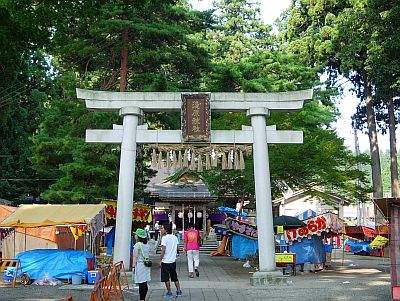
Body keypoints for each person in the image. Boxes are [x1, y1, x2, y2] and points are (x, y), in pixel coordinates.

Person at [159, 224, 183, 298]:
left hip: (165, 261)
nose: (161, 230)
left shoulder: (164, 238)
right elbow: (178, 248)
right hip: (173, 261)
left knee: (166, 278)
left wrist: (160, 260)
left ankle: (169, 292)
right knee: (174, 276)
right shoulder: (174, 237)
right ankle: (179, 291)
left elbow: (163, 250)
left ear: (166, 230)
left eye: (162, 228)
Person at [132, 228, 151, 301]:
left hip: (140, 265)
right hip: (146, 265)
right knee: (145, 282)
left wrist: (133, 266)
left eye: (136, 235)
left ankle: (141, 299)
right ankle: (143, 298)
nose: (135, 236)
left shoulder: (137, 245)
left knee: (141, 283)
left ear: (138, 236)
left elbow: (135, 257)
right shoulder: (147, 245)